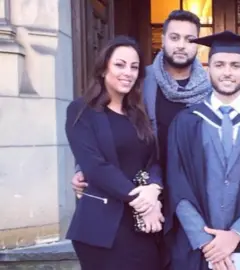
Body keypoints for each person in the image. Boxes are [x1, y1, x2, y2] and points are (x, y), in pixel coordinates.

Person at [164, 31, 240, 270]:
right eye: (219, 65)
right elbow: (176, 184)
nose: (227, 72)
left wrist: (237, 233)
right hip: (199, 245)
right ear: (207, 69)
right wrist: (205, 241)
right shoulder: (186, 122)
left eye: (235, 65)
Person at [70, 9, 211, 196]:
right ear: (163, 39)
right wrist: (82, 167)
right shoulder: (140, 79)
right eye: (175, 37)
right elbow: (109, 123)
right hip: (147, 184)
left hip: (195, 185)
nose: (181, 45)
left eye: (190, 39)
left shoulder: (210, 87)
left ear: (198, 44)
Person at [64, 35, 165, 269]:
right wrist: (143, 202)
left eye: (134, 67)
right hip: (102, 227)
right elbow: (95, 166)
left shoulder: (138, 113)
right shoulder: (81, 111)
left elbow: (153, 161)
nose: (127, 72)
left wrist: (154, 188)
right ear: (103, 68)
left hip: (142, 227)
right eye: (120, 65)